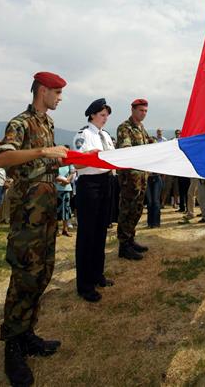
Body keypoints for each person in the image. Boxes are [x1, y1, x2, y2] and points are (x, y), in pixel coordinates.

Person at [0, 71, 68, 387]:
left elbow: (41, 165)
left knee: (42, 273)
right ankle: (12, 347)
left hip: (47, 216)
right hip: (27, 218)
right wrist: (42, 152)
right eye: (57, 93)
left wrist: (58, 165)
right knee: (24, 276)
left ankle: (27, 334)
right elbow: (2, 157)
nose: (60, 98)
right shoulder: (21, 122)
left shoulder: (47, 124)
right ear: (42, 91)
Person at [73, 98, 115, 302]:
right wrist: (90, 155)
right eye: (102, 115)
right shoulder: (83, 135)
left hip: (106, 182)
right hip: (89, 185)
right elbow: (77, 165)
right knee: (87, 235)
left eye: (107, 115)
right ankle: (84, 284)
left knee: (100, 232)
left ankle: (98, 275)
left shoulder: (105, 136)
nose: (105, 118)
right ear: (92, 115)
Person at [117, 98, 150, 260]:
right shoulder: (125, 128)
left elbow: (150, 144)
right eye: (141, 110)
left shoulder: (141, 128)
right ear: (133, 110)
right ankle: (123, 246)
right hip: (129, 179)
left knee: (137, 210)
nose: (143, 114)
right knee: (127, 210)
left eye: (145, 111)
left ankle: (131, 239)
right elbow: (126, 149)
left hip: (142, 177)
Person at [55, 152, 75, 237]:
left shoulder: (69, 163)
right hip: (56, 189)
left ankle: (65, 229)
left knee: (66, 209)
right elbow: (54, 175)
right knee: (56, 210)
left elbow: (72, 173)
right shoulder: (54, 164)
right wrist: (62, 180)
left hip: (66, 189)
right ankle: (56, 230)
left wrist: (67, 181)